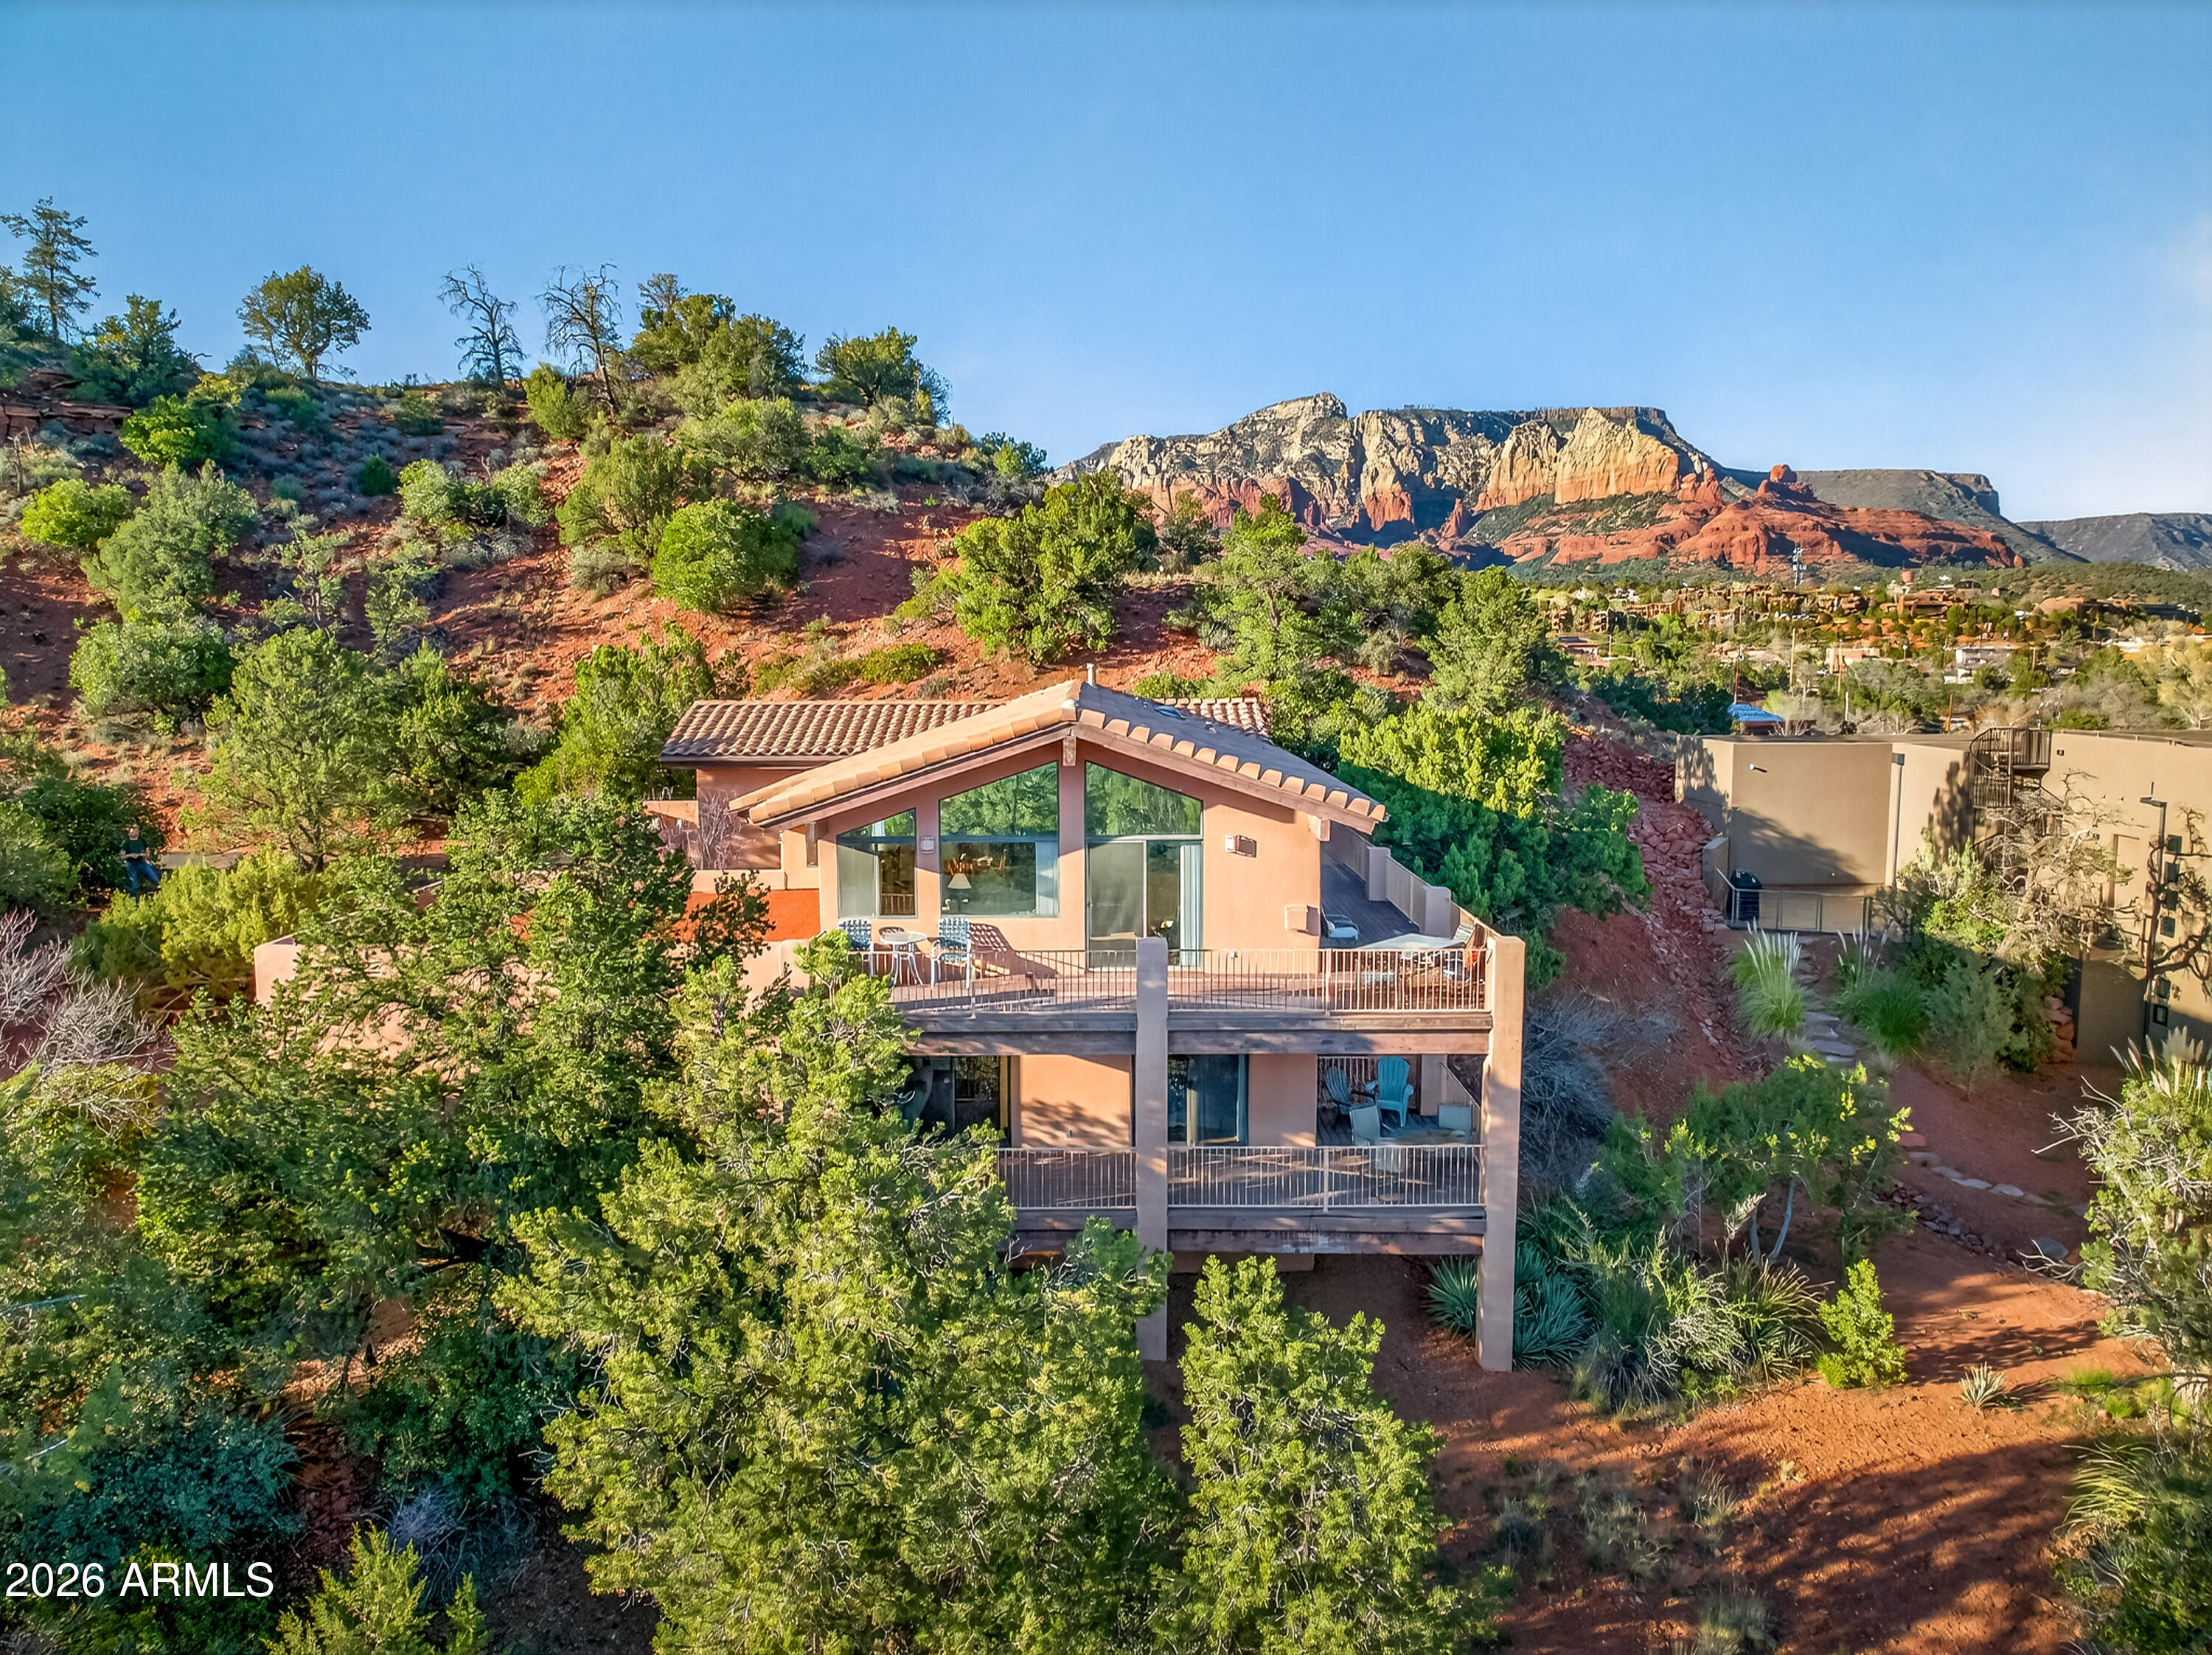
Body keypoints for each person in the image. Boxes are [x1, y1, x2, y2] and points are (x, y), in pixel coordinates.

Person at [122, 823, 160, 896]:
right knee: (134, 882)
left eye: (137, 830)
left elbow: (148, 853)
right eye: (133, 830)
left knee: (153, 876)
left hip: (142, 862)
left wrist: (141, 855)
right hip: (132, 864)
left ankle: (158, 888)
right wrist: (131, 855)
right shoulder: (126, 843)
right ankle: (133, 897)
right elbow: (122, 856)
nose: (135, 832)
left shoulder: (142, 841)